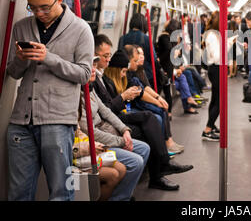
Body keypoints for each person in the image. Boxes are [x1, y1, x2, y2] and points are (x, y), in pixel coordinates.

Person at [6, 0, 94, 201]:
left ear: (59, 0)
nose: (39, 13)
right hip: (21, 121)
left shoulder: (81, 29)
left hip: (57, 121)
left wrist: (49, 58)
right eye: (33, 8)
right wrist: (21, 59)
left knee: (60, 192)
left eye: (45, 7)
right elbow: (13, 73)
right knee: (18, 193)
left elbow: (84, 74)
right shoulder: (22, 27)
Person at [103, 49, 193, 190]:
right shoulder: (105, 82)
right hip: (113, 119)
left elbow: (142, 89)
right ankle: (163, 164)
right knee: (150, 118)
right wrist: (123, 97)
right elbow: (108, 110)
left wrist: (157, 98)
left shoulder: (124, 77)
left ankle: (159, 171)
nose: (141, 59)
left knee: (152, 120)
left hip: (119, 115)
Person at [79, 58, 150, 201]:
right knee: (135, 162)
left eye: (94, 66)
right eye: (89, 67)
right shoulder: (77, 95)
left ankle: (121, 193)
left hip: (106, 132)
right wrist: (121, 141)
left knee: (144, 149)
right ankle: (119, 198)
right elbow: (89, 131)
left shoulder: (90, 89)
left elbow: (106, 112)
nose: (93, 70)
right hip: (95, 141)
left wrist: (125, 130)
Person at [73, 86, 127, 201]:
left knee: (121, 169)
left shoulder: (87, 93)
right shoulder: (75, 100)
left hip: (86, 148)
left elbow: (80, 133)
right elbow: (68, 146)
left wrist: (93, 144)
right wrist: (88, 147)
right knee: (113, 175)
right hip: (74, 158)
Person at [202, 11, 236, 140]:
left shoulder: (214, 34)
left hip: (217, 69)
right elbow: (217, 56)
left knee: (215, 99)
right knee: (220, 101)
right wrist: (228, 44)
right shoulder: (212, 35)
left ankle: (211, 125)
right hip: (216, 69)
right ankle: (208, 129)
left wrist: (228, 42)